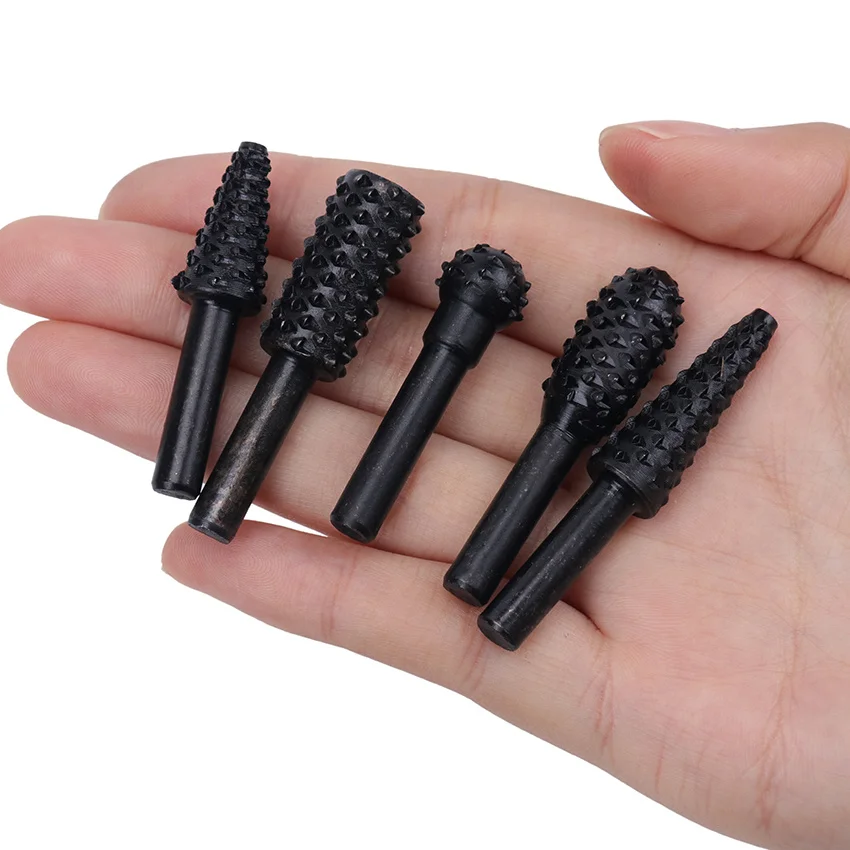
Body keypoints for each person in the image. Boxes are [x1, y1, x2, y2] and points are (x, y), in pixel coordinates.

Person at [1, 121, 847, 850]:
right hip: (550, 418)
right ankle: (223, 493)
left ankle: (454, 571)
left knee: (522, 490)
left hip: (575, 435)